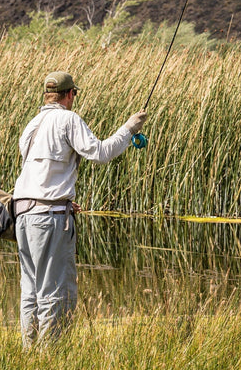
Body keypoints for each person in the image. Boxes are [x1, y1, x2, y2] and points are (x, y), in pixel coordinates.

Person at [13, 71, 146, 347]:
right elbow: (100, 153)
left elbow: (39, 172)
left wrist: (61, 200)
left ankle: (29, 354)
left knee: (31, 291)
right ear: (70, 94)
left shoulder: (32, 125)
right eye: (74, 94)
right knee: (54, 292)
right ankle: (50, 357)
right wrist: (129, 128)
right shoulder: (67, 119)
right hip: (48, 219)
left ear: (47, 94)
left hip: (22, 217)